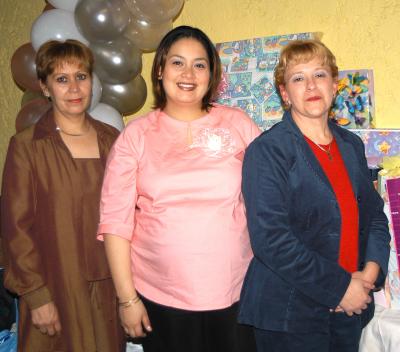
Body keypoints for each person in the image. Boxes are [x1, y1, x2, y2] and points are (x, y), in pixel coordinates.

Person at [97, 25, 260, 352]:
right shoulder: (135, 136)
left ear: (211, 73)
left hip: (237, 293)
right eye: (177, 62)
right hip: (160, 296)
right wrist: (127, 300)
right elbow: (116, 223)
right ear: (160, 70)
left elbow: (273, 196)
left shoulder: (239, 125)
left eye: (199, 64)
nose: (189, 73)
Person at [238, 39, 390, 352]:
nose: (310, 85)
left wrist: (370, 273)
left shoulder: (351, 145)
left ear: (334, 85)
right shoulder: (267, 151)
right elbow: (271, 240)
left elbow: (374, 215)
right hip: (290, 315)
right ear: (284, 93)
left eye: (319, 75)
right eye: (298, 78)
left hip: (350, 308)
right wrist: (341, 287)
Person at [1, 39, 124, 351]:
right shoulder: (27, 146)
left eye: (81, 77)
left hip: (108, 289)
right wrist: (36, 296)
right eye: (61, 79)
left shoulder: (114, 142)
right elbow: (16, 228)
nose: (74, 88)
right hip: (54, 288)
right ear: (45, 87)